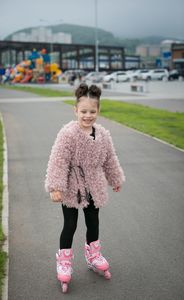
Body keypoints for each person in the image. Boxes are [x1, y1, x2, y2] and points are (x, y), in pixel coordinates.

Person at [45, 83, 125, 292]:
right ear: (76, 110)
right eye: (83, 111)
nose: (87, 116)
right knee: (70, 225)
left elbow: (110, 159)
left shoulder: (103, 134)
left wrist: (115, 179)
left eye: (92, 111)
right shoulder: (68, 133)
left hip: (94, 184)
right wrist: (55, 186)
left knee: (93, 222)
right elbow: (58, 160)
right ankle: (64, 261)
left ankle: (94, 255)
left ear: (98, 110)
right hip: (71, 185)